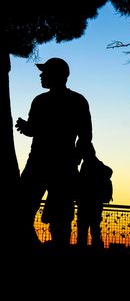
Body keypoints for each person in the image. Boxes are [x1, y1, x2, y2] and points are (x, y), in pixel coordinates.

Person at [15, 57, 92, 251]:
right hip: (58, 165)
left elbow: (84, 137)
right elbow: (85, 137)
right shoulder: (77, 100)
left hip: (42, 165)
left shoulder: (42, 101)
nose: (41, 75)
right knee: (56, 216)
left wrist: (27, 127)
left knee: (32, 209)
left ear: (56, 75)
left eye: (45, 72)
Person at [76, 143, 113, 251]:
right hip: (95, 204)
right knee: (95, 231)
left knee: (83, 232)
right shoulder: (96, 163)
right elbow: (109, 171)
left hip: (87, 204)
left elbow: (83, 184)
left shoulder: (89, 164)